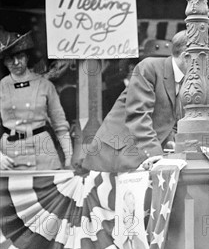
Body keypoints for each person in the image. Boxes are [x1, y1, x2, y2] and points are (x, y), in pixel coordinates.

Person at [82, 32, 191, 172]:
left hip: (142, 156)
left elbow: (171, 122)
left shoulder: (186, 79)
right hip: (117, 154)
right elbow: (138, 115)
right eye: (202, 58)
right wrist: (155, 154)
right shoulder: (149, 67)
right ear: (186, 56)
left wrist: (174, 147)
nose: (204, 65)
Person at [0, 29, 72, 170]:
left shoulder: (45, 85)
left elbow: (60, 124)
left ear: (27, 57)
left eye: (20, 56)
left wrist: (69, 156)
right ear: (4, 62)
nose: (16, 62)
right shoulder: (1, 87)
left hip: (43, 153)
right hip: (10, 155)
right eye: (10, 58)